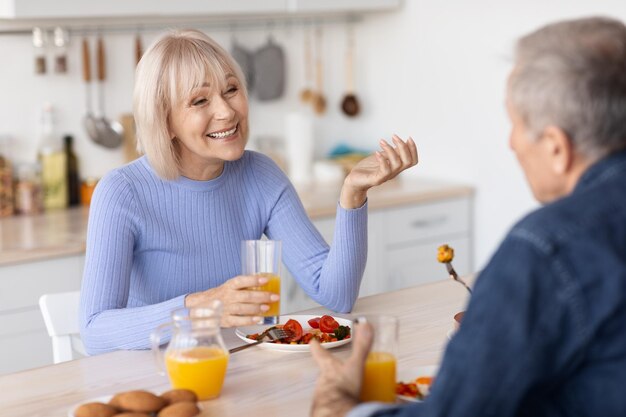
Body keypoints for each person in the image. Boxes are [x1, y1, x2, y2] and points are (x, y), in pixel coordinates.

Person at [311, 16, 626, 417]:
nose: (510, 142)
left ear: (555, 147)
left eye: (515, 124)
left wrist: (339, 407)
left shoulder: (546, 249)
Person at [79, 29, 418, 355]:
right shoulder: (122, 192)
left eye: (231, 89)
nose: (227, 111)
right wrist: (203, 307)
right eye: (200, 100)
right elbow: (94, 331)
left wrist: (352, 195)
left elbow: (337, 295)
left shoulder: (260, 175)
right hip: (156, 382)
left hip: (240, 368)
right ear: (164, 121)